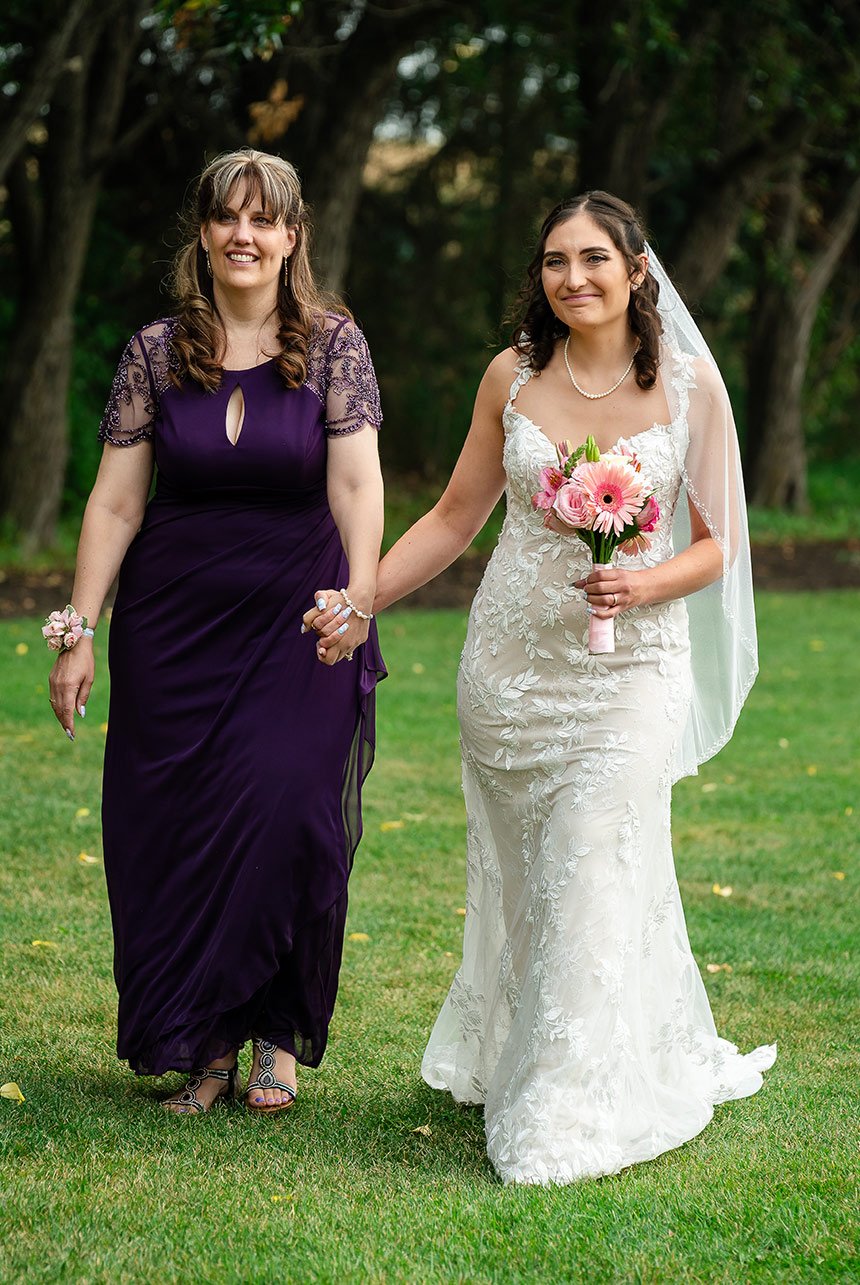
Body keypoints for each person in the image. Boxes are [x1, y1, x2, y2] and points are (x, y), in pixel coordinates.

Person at [309, 191, 775, 1184]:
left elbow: (717, 546)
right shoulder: (511, 378)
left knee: (591, 858)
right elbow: (450, 518)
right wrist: (360, 600)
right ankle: (515, 1049)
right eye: (556, 260)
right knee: (529, 881)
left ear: (636, 271)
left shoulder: (690, 388)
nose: (574, 277)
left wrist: (639, 580)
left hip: (630, 673)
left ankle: (566, 1103)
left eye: (595, 258)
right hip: (510, 671)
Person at [46, 148, 385, 1115]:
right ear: (203, 233)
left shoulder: (331, 345)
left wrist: (359, 597)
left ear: (292, 237)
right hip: (174, 625)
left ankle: (275, 1032)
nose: (244, 234)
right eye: (226, 216)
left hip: (300, 615)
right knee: (179, 827)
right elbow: (114, 504)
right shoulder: (156, 351)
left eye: (263, 218)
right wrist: (80, 629)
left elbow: (358, 485)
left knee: (289, 810)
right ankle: (201, 1042)